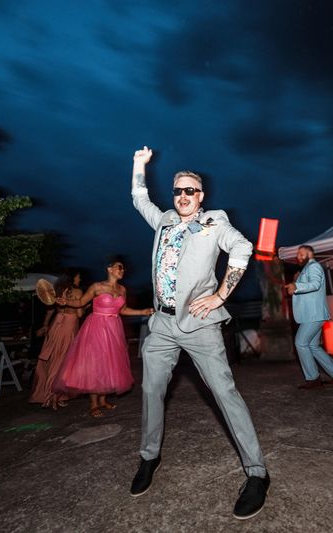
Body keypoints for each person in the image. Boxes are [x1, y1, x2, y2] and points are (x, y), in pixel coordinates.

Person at [129, 146, 269, 520]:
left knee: (225, 393)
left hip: (199, 325)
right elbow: (138, 196)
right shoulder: (163, 221)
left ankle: (257, 473)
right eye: (178, 191)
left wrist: (221, 294)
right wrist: (138, 165)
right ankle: (149, 457)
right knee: (150, 390)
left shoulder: (213, 223)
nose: (183, 196)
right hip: (161, 324)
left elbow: (243, 247)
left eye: (190, 190)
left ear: (201, 196)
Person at [55, 258, 153, 417]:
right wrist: (66, 301)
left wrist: (142, 312)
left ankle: (102, 400)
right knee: (95, 364)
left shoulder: (122, 289)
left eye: (123, 268)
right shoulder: (97, 286)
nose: (122, 270)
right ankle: (93, 404)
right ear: (109, 269)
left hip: (114, 328)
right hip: (96, 327)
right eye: (119, 267)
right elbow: (80, 302)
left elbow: (123, 310)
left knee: (109, 363)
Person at [285, 245, 333, 389]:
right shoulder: (308, 268)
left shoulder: (314, 266)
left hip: (313, 314)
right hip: (312, 314)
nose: (298, 256)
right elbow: (309, 285)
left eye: (301, 253)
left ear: (310, 253)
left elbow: (314, 284)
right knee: (313, 346)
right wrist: (295, 284)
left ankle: (313, 379)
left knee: (300, 343)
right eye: (298, 254)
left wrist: (296, 287)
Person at [28, 271, 83, 409]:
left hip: (55, 326)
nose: (80, 279)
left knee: (53, 359)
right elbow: (80, 313)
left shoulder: (56, 291)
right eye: (78, 276)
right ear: (73, 278)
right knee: (63, 361)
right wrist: (86, 306)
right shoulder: (77, 291)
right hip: (69, 327)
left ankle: (52, 396)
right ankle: (53, 396)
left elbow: (50, 311)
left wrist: (45, 325)